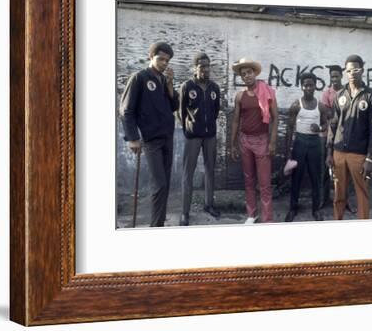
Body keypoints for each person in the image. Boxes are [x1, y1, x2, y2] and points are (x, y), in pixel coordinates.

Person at [119, 42, 179, 227]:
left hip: (167, 137)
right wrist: (133, 138)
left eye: (167, 60)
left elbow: (174, 106)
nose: (164, 63)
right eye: (160, 59)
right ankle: (155, 226)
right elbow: (125, 110)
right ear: (150, 57)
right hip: (151, 139)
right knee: (159, 184)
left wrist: (170, 84)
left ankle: (159, 223)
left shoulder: (163, 79)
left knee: (166, 184)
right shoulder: (139, 77)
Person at [326, 54, 372, 220]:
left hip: (359, 155)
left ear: (362, 70)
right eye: (349, 70)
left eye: (355, 69)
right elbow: (333, 125)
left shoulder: (370, 96)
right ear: (345, 72)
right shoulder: (339, 95)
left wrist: (370, 158)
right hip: (338, 153)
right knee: (339, 193)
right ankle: (337, 221)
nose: (352, 73)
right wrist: (329, 152)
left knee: (362, 193)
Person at [230, 58, 278, 224]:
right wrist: (233, 144)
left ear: (254, 73)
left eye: (249, 72)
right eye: (243, 74)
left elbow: (275, 117)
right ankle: (252, 214)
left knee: (264, 182)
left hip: (262, 140)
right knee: (249, 180)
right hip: (245, 141)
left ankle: (267, 218)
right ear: (241, 77)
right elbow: (236, 120)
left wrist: (272, 142)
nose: (246, 76)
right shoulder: (240, 96)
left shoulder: (267, 91)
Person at [178, 53, 221, 226]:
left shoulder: (214, 88)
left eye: (208, 65)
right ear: (195, 68)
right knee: (188, 174)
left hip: (210, 135)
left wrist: (208, 124)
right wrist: (189, 129)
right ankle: (184, 212)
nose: (206, 69)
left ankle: (208, 204)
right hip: (193, 137)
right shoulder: (187, 86)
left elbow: (216, 110)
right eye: (202, 66)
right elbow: (181, 112)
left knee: (210, 170)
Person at [284, 72, 328, 222]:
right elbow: (289, 128)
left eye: (311, 85)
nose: (308, 87)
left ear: (315, 86)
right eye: (305, 85)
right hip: (300, 143)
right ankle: (292, 208)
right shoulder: (296, 105)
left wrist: (320, 128)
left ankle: (316, 209)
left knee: (316, 177)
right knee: (296, 177)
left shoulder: (320, 106)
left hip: (315, 143)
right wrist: (288, 151)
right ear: (302, 86)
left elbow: (325, 124)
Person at [321, 65, 357, 214]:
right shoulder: (326, 93)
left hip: (345, 137)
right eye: (332, 76)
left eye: (337, 76)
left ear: (341, 77)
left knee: (345, 171)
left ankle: (345, 200)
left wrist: (336, 113)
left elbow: (351, 113)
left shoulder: (348, 91)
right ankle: (324, 199)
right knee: (325, 169)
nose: (334, 79)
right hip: (329, 134)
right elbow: (326, 113)